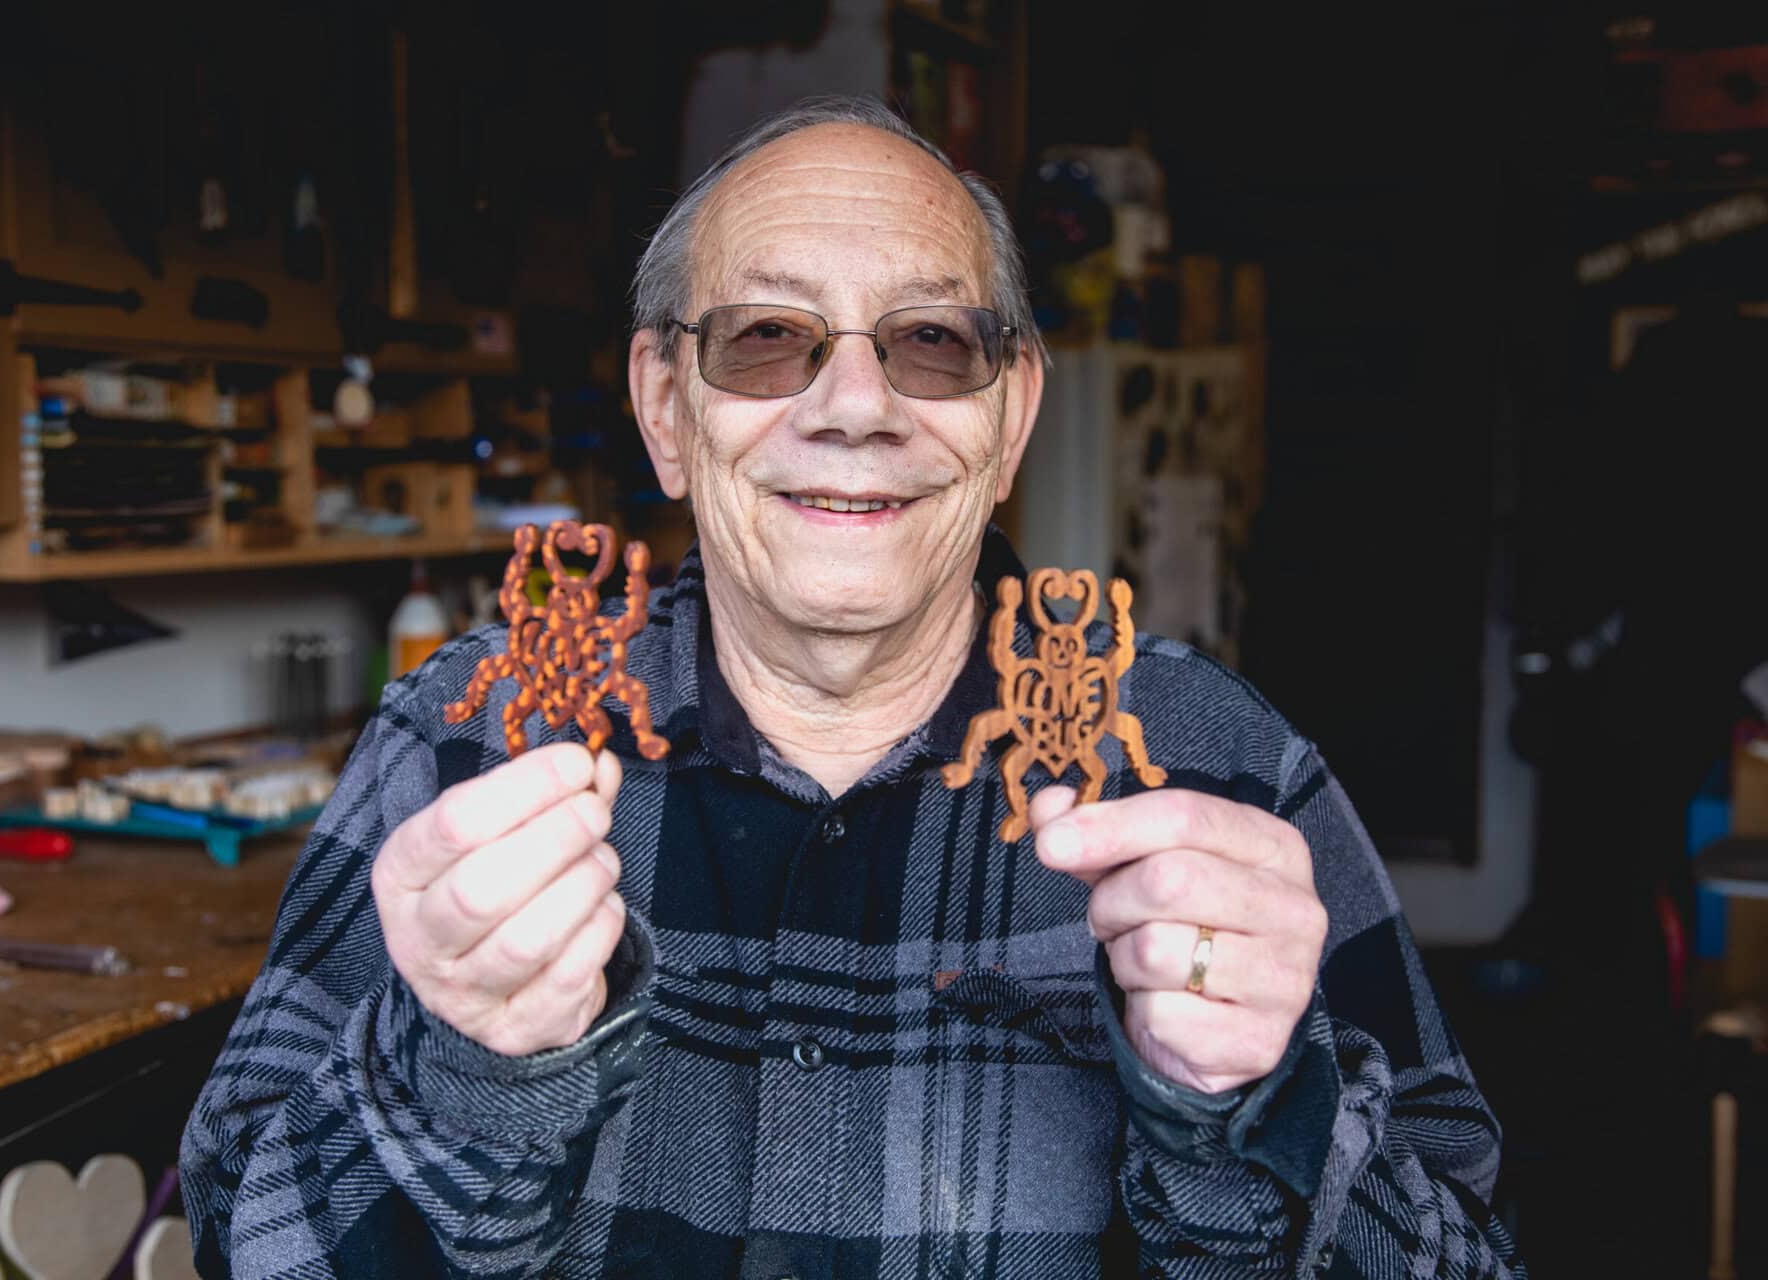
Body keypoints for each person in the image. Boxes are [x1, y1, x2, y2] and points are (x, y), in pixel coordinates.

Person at [182, 96, 1525, 1279]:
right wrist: (469, 1075)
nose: (855, 404)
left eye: (933, 343)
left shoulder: (1222, 767)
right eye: (768, 339)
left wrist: (1257, 1099)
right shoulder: (466, 738)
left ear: (1010, 420)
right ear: (664, 407)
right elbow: (246, 1244)